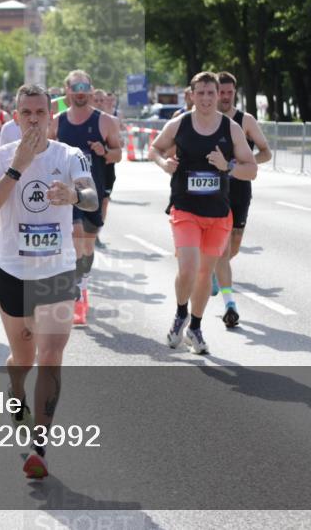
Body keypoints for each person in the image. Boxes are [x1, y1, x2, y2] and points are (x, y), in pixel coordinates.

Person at [0, 83, 98, 479]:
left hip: (58, 271)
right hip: (13, 271)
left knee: (50, 355)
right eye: (25, 113)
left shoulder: (69, 156)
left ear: (51, 117)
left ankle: (38, 446)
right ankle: (14, 392)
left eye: (39, 113)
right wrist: (18, 166)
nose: (33, 119)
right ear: (15, 117)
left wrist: (74, 197)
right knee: (23, 359)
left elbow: (92, 197)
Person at [148, 71, 257, 354]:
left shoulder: (231, 128)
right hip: (185, 207)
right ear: (192, 95)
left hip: (219, 213)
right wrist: (163, 163)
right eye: (202, 93)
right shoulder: (179, 124)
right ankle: (180, 313)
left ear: (218, 94)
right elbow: (155, 149)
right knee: (188, 268)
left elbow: (252, 169)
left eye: (212, 93)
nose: (207, 98)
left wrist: (228, 166)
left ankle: (195, 327)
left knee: (204, 273)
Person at [48, 70, 122, 326]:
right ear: (67, 90)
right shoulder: (57, 122)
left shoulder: (105, 122)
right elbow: (46, 155)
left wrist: (105, 151)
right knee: (76, 239)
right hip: (68, 197)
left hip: (93, 194)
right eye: (75, 86)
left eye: (85, 86)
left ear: (91, 90)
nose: (80, 91)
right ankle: (77, 295)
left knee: (87, 248)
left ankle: (83, 283)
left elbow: (118, 154)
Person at [211, 71, 272, 326]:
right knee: (223, 248)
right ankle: (229, 303)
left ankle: (215, 269)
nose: (225, 97)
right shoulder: (207, 120)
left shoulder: (245, 120)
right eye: (221, 92)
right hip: (215, 192)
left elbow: (266, 152)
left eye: (229, 93)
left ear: (234, 93)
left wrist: (243, 163)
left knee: (234, 246)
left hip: (240, 189)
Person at [91, 89, 120, 249]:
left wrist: (107, 151)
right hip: (89, 170)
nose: (100, 103)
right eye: (96, 100)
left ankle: (96, 233)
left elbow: (119, 146)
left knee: (104, 202)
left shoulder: (112, 121)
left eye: (102, 100)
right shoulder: (82, 120)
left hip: (107, 168)